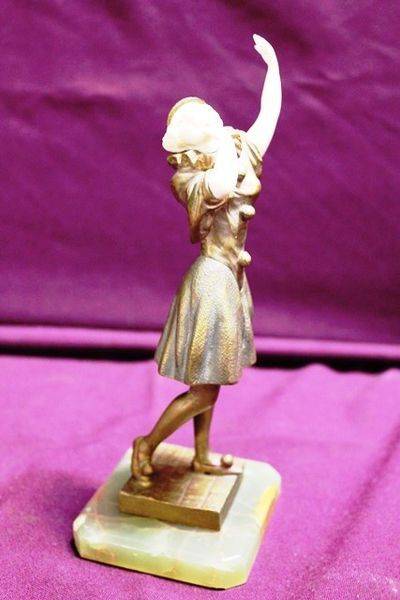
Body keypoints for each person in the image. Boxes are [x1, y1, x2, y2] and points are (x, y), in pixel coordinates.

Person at [131, 34, 282, 484]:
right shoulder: (191, 181)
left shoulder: (233, 149)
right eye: (209, 124)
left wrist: (273, 70)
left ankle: (200, 455)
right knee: (206, 388)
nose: (219, 122)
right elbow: (219, 185)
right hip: (212, 279)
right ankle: (146, 445)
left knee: (208, 380)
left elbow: (267, 118)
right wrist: (224, 143)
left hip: (232, 275)